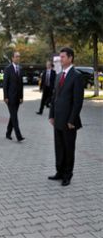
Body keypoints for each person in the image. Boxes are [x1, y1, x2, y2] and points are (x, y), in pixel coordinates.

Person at [48, 47, 84, 186]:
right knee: (59, 147)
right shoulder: (58, 75)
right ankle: (59, 172)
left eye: (62, 57)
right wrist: (51, 115)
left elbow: (78, 101)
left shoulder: (77, 76)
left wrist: (71, 120)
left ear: (70, 58)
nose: (60, 59)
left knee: (69, 148)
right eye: (60, 57)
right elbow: (54, 97)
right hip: (57, 119)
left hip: (69, 121)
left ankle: (67, 175)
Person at [3, 52, 25, 142]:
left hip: (17, 98)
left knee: (13, 116)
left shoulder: (20, 69)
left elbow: (21, 84)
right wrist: (5, 97)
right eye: (16, 57)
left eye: (19, 57)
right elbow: (5, 84)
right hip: (10, 98)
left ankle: (8, 133)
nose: (18, 58)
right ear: (12, 58)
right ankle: (18, 136)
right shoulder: (8, 69)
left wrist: (21, 97)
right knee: (15, 117)